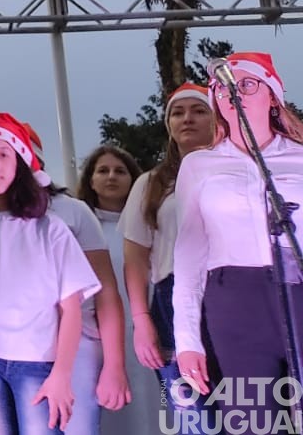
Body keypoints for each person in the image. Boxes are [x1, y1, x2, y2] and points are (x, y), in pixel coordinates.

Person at [173, 52, 303, 432]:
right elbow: (189, 257)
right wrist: (187, 339)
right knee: (251, 421)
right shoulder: (199, 166)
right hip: (235, 302)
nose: (234, 93)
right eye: (223, 88)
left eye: (247, 84)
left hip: (298, 288)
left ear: (272, 96)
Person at [0, 114, 100, 435]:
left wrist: (62, 374)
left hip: (37, 363)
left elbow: (72, 309)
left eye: (4, 154)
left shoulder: (52, 230)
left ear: (21, 162)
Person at [119, 83, 217, 433]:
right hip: (171, 302)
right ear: (169, 124)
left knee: (249, 408)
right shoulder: (150, 183)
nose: (187, 118)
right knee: (194, 418)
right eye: (178, 112)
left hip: (232, 294)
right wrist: (142, 320)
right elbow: (135, 258)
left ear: (217, 117)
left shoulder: (236, 170)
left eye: (199, 110)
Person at [21, 126, 130, 435]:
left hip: (80, 343)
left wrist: (114, 364)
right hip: (14, 349)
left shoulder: (73, 211)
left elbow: (106, 292)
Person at [78, 146, 158, 435]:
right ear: (90, 180)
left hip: (143, 332)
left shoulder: (148, 227)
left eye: (120, 170)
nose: (111, 176)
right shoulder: (78, 229)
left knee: (148, 409)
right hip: (94, 338)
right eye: (103, 170)